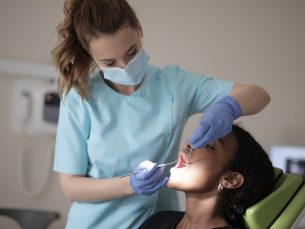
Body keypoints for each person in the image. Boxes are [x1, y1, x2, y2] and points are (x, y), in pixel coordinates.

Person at [51, 0, 270, 228]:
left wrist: (229, 107)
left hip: (156, 219)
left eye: (131, 51)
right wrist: (131, 184)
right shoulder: (79, 96)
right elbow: (71, 187)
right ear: (89, 52)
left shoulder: (174, 85)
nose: (125, 66)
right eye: (109, 62)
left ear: (139, 29)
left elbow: (259, 95)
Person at [140, 125, 275, 229]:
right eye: (196, 138)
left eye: (209, 145)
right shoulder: (159, 220)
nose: (189, 143)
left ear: (230, 179)